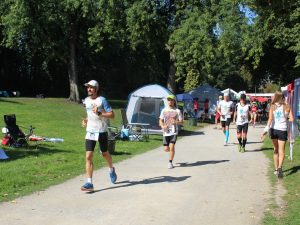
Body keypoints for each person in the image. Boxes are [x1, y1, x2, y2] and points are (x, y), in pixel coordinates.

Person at [81, 80, 117, 192]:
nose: (89, 89)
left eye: (91, 88)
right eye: (88, 88)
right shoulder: (86, 101)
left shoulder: (102, 100)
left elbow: (112, 115)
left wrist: (100, 113)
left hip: (101, 131)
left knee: (104, 153)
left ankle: (111, 169)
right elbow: (90, 115)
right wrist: (86, 121)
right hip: (90, 131)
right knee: (88, 156)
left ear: (96, 89)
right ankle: (89, 183)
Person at [261, 91, 294, 178]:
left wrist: (265, 130)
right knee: (281, 151)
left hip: (273, 130)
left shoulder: (272, 106)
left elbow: (270, 119)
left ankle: (276, 170)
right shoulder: (287, 106)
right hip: (282, 130)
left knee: (275, 149)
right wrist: (286, 118)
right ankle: (279, 168)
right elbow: (291, 119)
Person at [159, 94, 183, 169]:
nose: (170, 101)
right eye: (168, 100)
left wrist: (176, 122)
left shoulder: (177, 111)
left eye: (171, 100)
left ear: (174, 101)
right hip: (166, 132)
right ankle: (172, 151)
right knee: (166, 149)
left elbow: (182, 121)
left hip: (174, 132)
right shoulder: (164, 110)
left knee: (171, 147)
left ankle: (170, 162)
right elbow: (160, 120)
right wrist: (162, 126)